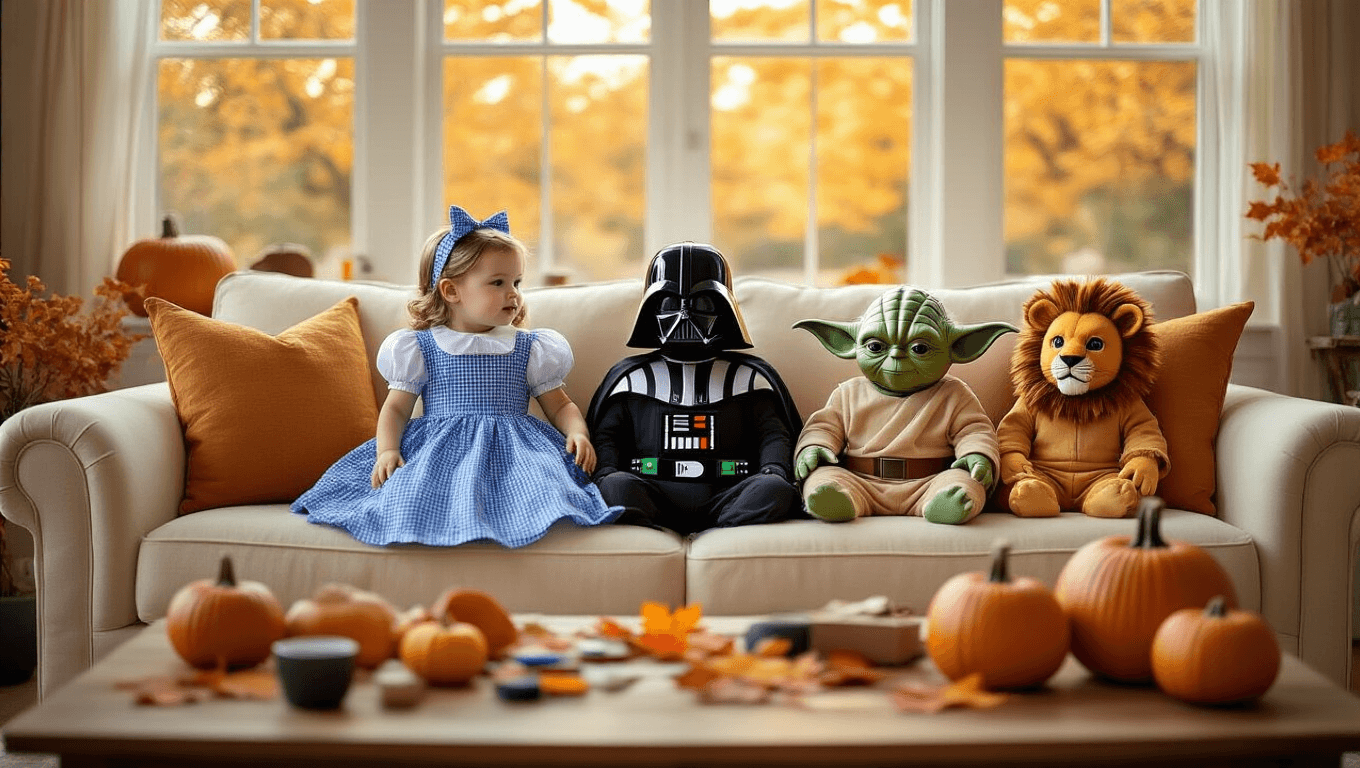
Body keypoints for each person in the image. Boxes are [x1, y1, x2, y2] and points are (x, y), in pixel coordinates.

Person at [292, 205, 622, 547]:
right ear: (451, 291)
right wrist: (387, 450)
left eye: (517, 282)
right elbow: (396, 408)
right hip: (439, 447)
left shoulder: (529, 347)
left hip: (516, 450)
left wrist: (578, 432)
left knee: (544, 486)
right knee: (408, 490)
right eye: (498, 283)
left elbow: (560, 405)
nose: (514, 293)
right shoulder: (420, 347)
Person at [586, 242, 803, 536]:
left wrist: (773, 469)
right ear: (650, 308)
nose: (685, 315)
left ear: (725, 309)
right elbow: (608, 436)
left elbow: (773, 434)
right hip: (651, 491)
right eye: (669, 303)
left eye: (702, 303)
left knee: (774, 489)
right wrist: (607, 471)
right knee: (614, 487)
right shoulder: (630, 379)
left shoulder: (750, 378)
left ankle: (722, 524)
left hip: (729, 491)